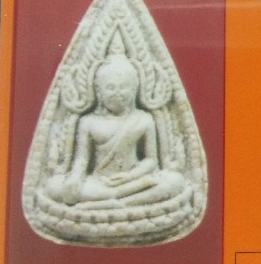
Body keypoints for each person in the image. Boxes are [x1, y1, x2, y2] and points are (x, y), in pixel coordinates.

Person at [45, 45, 184, 209]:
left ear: (134, 89)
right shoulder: (88, 122)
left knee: (175, 181)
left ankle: (113, 203)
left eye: (123, 87)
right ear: (99, 91)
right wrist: (75, 178)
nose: (117, 93)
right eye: (110, 88)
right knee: (54, 188)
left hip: (132, 179)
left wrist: (129, 176)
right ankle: (122, 200)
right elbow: (82, 160)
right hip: (99, 182)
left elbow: (151, 160)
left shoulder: (144, 119)